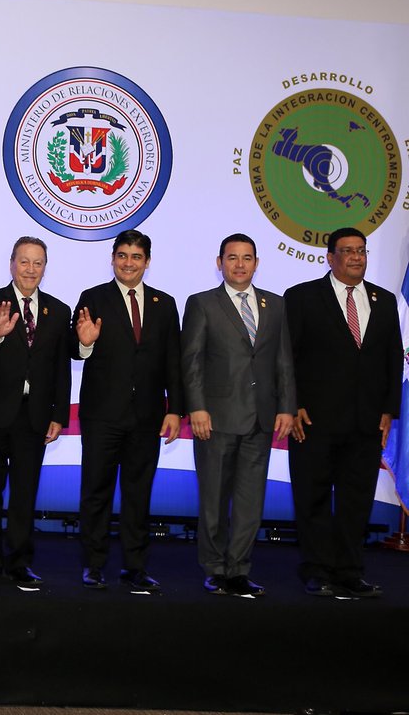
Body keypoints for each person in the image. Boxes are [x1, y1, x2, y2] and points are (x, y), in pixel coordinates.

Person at [285, 227, 402, 598]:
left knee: (356, 500)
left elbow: (392, 358)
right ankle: (317, 569)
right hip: (312, 420)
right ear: (330, 257)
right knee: (313, 498)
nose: (356, 257)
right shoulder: (301, 297)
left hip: (366, 422)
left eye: (361, 250)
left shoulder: (384, 300)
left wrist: (389, 410)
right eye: (348, 251)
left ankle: (350, 571)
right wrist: (292, 404)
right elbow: (286, 358)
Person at [182, 233, 294, 597]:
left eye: (247, 258)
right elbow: (192, 361)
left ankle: (239, 570)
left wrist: (287, 408)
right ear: (220, 263)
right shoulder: (202, 303)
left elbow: (283, 361)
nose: (240, 264)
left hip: (261, 419)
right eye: (232, 258)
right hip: (215, 418)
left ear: (257, 263)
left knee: (250, 502)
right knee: (213, 500)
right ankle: (215, 568)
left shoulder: (275, 305)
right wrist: (196, 407)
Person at [71, 229, 183, 592]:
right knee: (96, 492)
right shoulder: (93, 297)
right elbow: (74, 348)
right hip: (102, 414)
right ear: (113, 258)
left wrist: (175, 409)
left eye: (136, 257)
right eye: (122, 255)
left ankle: (135, 566)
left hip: (147, 416)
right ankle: (93, 565)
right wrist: (84, 343)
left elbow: (174, 360)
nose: (128, 263)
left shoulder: (165, 304)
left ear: (147, 262)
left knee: (138, 494)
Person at [0, 237, 71, 588]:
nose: (30, 269)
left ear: (45, 267)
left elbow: (61, 368)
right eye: (24, 261)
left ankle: (20, 563)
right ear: (12, 263)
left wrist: (59, 414)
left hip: (33, 416)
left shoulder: (58, 311)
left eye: (38, 263)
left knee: (25, 494)